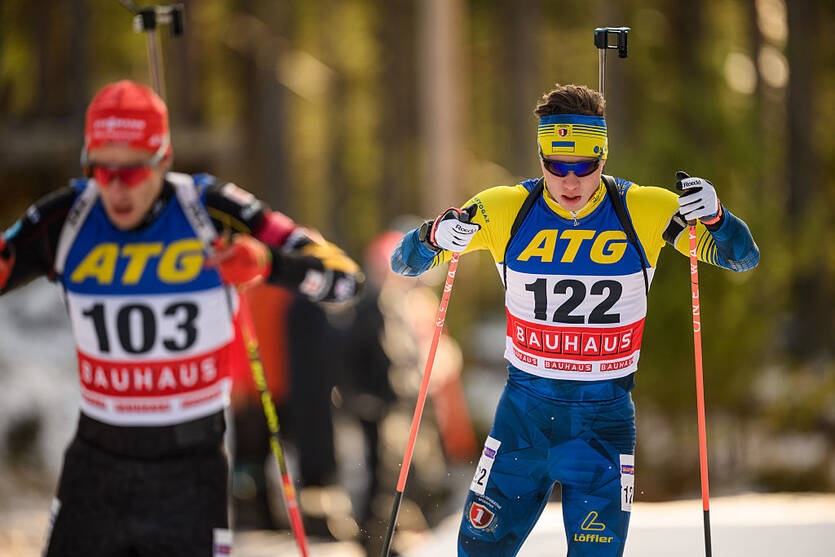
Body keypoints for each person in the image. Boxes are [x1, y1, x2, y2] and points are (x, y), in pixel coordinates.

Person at [390, 83, 759, 556]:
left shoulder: (642, 208)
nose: (569, 182)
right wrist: (431, 235)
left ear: (603, 157)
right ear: (540, 155)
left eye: (584, 167)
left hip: (602, 423)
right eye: (555, 166)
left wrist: (717, 218)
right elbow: (404, 265)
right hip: (523, 420)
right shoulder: (506, 208)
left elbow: (741, 258)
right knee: (479, 551)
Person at [0, 79, 363, 557]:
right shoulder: (68, 216)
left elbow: (344, 280)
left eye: (132, 172)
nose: (115, 188)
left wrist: (268, 263)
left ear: (163, 160)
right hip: (96, 463)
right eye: (101, 170)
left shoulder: (209, 210)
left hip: (189, 469)